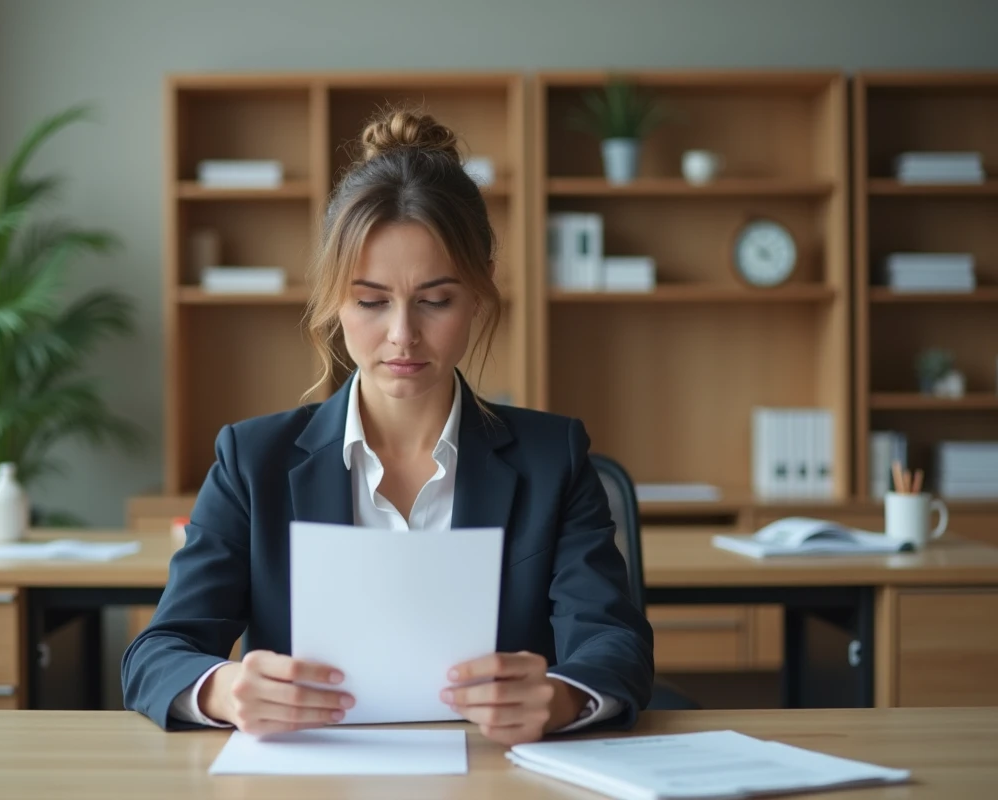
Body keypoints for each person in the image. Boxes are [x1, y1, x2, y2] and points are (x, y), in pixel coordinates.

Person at [122, 106, 654, 745]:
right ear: (334, 301)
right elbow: (157, 651)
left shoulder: (552, 458)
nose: (402, 335)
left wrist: (564, 698)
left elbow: (615, 642)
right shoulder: (251, 461)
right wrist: (225, 690)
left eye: (435, 301)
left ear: (478, 295)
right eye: (371, 301)